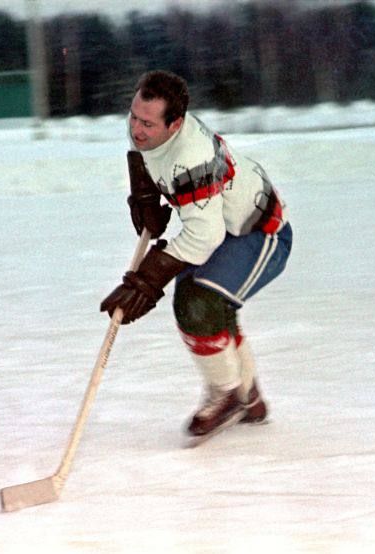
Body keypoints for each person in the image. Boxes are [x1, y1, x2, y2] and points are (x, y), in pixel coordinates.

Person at [100, 70, 293, 438]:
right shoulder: (158, 134)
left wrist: (148, 277)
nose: (137, 130)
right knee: (206, 301)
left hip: (262, 234)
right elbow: (152, 161)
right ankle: (247, 393)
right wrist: (145, 194)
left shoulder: (192, 159)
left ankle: (228, 394)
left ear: (175, 125)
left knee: (198, 302)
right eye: (133, 117)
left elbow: (204, 237)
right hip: (225, 228)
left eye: (148, 124)